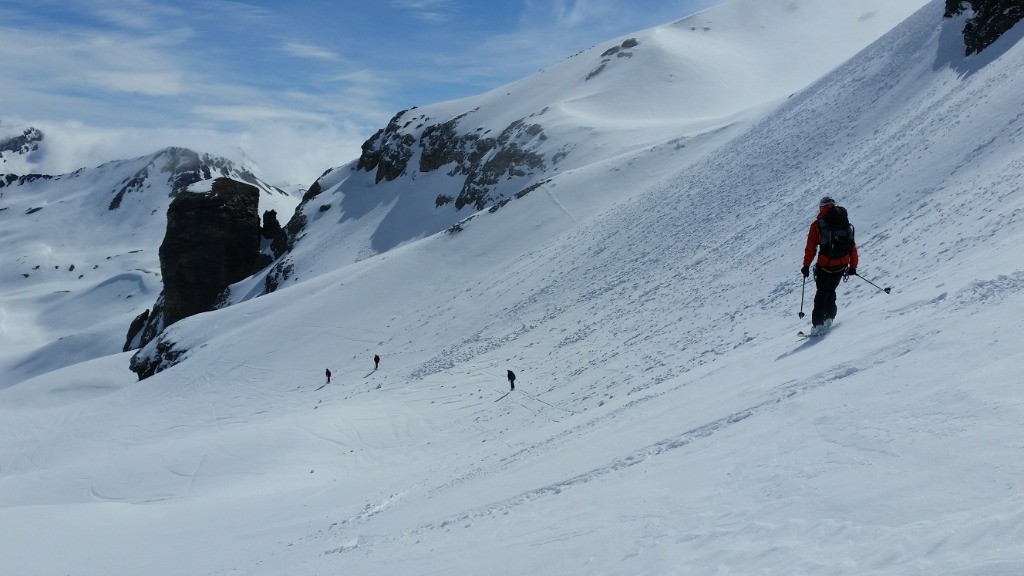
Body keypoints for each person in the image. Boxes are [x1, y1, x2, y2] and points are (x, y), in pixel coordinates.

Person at [802, 196, 858, 335]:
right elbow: (852, 246)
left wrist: (806, 265)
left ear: (822, 207)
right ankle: (829, 318)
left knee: (821, 293)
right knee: (831, 290)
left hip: (825, 265)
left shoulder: (818, 224)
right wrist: (853, 267)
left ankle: (817, 324)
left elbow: (811, 247)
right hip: (842, 264)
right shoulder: (845, 222)